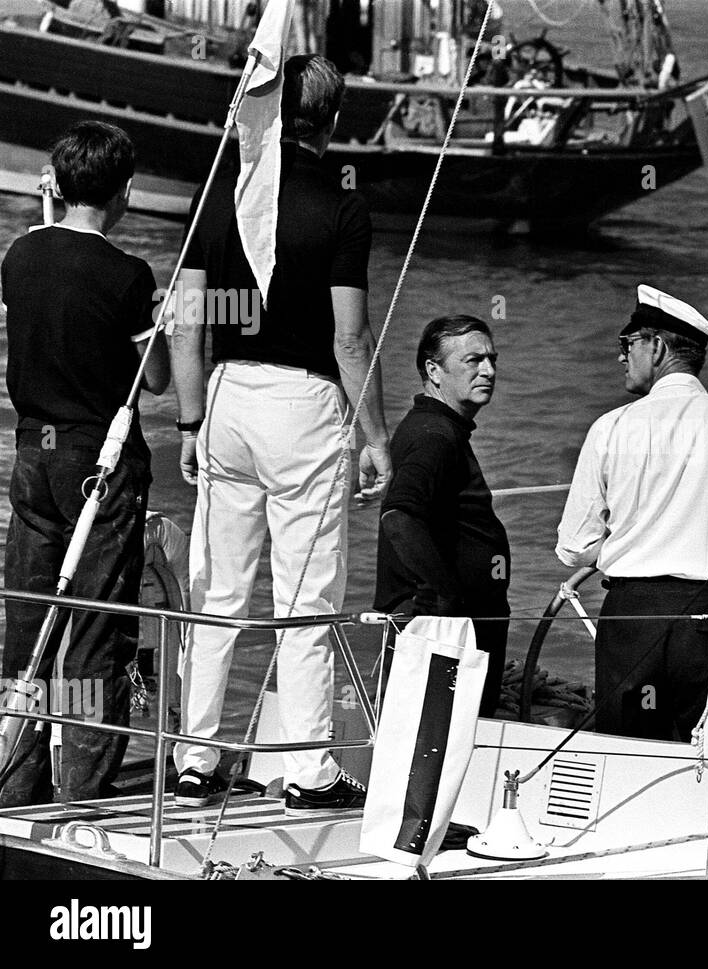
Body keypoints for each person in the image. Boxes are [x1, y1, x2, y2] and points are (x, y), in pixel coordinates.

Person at [168, 55, 391, 813]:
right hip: (303, 403)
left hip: (227, 396)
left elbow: (189, 319)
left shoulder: (223, 190)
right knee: (304, 593)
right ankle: (309, 767)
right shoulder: (341, 203)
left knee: (217, 587)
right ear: (331, 121)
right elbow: (350, 339)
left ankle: (195, 759)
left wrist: (191, 421)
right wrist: (377, 437)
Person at [0, 121, 170, 805]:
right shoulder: (127, 274)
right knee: (98, 627)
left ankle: (16, 780)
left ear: (59, 183)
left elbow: (47, 307)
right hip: (98, 459)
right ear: (125, 190)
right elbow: (153, 377)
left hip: (31, 452)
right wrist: (161, 324)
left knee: (28, 617)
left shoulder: (18, 256)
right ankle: (85, 791)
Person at [556, 284, 708, 740]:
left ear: (657, 346)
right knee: (705, 751)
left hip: (631, 619)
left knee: (627, 751)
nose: (620, 357)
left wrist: (633, 545)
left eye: (627, 344)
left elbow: (574, 548)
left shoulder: (611, 429)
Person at [374, 315, 510, 716]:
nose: (489, 370)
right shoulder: (435, 437)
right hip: (438, 634)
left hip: (446, 633)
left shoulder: (437, 429)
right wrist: (448, 600)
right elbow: (399, 515)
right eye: (473, 361)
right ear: (433, 370)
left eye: (492, 359)